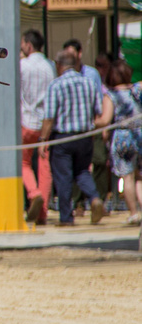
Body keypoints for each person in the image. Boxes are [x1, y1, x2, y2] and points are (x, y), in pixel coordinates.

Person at [42, 50, 109, 225]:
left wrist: (43, 139)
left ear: (59, 65)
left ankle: (66, 217)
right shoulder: (89, 83)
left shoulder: (56, 85)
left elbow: (49, 117)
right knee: (82, 171)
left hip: (63, 138)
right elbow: (98, 111)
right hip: (85, 137)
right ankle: (95, 199)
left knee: (63, 177)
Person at [19, 29, 56, 224]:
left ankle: (33, 193)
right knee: (44, 167)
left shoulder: (22, 65)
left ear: (28, 45)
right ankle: (42, 213)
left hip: (26, 121)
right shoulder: (50, 65)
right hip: (46, 124)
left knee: (23, 163)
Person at [104, 59, 142, 225]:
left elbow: (105, 119)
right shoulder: (137, 89)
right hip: (139, 133)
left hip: (123, 136)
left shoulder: (111, 95)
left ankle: (134, 213)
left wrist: (93, 124)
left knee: (127, 177)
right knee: (140, 177)